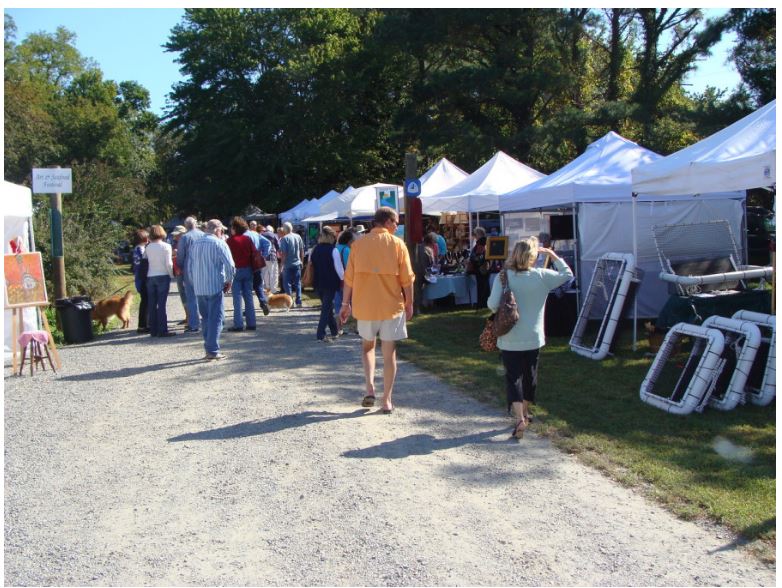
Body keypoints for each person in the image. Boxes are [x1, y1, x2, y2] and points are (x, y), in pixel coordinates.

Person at [487, 236, 573, 439]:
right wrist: (552, 255)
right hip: (534, 336)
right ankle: (525, 411)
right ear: (533, 257)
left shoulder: (504, 276)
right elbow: (567, 274)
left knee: (513, 377)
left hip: (509, 336)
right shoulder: (542, 275)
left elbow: (491, 304)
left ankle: (519, 418)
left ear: (514, 254)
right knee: (530, 376)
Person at [339, 207, 415, 414]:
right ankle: (387, 399)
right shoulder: (398, 244)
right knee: (389, 353)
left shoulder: (358, 245)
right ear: (387, 222)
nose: (397, 226)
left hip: (365, 306)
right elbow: (407, 279)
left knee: (367, 348)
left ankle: (370, 388)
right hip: (391, 306)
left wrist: (344, 305)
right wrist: (410, 302)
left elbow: (349, 279)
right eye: (396, 222)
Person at [186, 219, 236, 360]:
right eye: (222, 231)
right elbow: (230, 266)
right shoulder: (219, 243)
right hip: (214, 285)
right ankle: (212, 350)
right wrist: (229, 280)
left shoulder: (195, 244)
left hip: (199, 287)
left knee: (206, 318)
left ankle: (209, 347)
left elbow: (189, 268)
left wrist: (193, 282)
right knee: (217, 318)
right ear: (217, 230)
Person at [310, 226, 343, 342]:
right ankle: (320, 334)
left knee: (327, 307)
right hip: (330, 283)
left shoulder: (315, 249)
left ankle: (334, 331)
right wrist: (344, 279)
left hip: (317, 282)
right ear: (331, 237)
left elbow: (312, 264)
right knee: (326, 308)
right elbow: (339, 269)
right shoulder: (333, 250)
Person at [226, 217, 258, 331]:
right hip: (248, 269)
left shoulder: (229, 241)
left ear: (234, 228)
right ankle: (251, 323)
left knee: (237, 298)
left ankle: (238, 324)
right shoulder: (247, 239)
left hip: (236, 271)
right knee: (248, 297)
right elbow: (253, 253)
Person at [143, 224, 175, 337]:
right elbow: (169, 263)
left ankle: (153, 329)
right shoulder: (166, 246)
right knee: (161, 304)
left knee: (152, 303)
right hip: (163, 275)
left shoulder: (148, 247)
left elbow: (145, 260)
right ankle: (163, 329)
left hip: (150, 276)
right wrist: (172, 275)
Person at [176, 217, 205, 333]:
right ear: (196, 224)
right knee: (204, 296)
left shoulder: (185, 237)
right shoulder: (204, 235)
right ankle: (206, 321)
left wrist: (180, 267)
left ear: (185, 226)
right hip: (203, 269)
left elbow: (180, 256)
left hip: (190, 270)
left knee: (191, 298)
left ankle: (194, 324)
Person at [242, 219, 271, 316]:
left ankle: (248, 309)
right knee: (258, 285)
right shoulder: (255, 234)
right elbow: (268, 243)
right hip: (256, 263)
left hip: (245, 263)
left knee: (247, 287)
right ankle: (263, 302)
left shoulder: (243, 236)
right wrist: (263, 256)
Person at [279, 221, 305, 307]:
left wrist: (281, 265)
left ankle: (290, 302)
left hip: (287, 264)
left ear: (284, 229)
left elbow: (284, 254)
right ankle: (299, 301)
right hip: (297, 263)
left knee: (287, 283)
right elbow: (302, 250)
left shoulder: (284, 238)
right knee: (298, 283)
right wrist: (302, 261)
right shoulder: (298, 237)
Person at [132, 228, 150, 334]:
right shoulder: (141, 249)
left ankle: (144, 324)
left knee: (145, 301)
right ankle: (143, 325)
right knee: (145, 301)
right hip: (142, 278)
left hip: (140, 277)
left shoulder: (137, 248)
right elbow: (142, 264)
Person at [468, 226, 490, 308]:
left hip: (481, 267)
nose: (474, 236)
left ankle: (482, 304)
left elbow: (479, 256)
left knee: (482, 287)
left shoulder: (481, 242)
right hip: (484, 267)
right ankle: (485, 303)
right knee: (484, 286)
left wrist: (472, 260)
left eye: (475, 234)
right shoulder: (485, 242)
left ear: (479, 234)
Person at [171, 225, 188, 325]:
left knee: (186, 294)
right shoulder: (176, 244)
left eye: (177, 235)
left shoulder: (185, 244)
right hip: (178, 272)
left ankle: (190, 317)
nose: (175, 237)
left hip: (183, 272)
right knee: (182, 295)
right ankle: (187, 316)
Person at [261, 225, 281, 292]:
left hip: (263, 257)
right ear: (272, 230)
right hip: (272, 256)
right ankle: (273, 289)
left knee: (265, 273)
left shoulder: (261, 235)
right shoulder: (273, 235)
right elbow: (277, 247)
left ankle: (267, 287)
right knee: (273, 273)